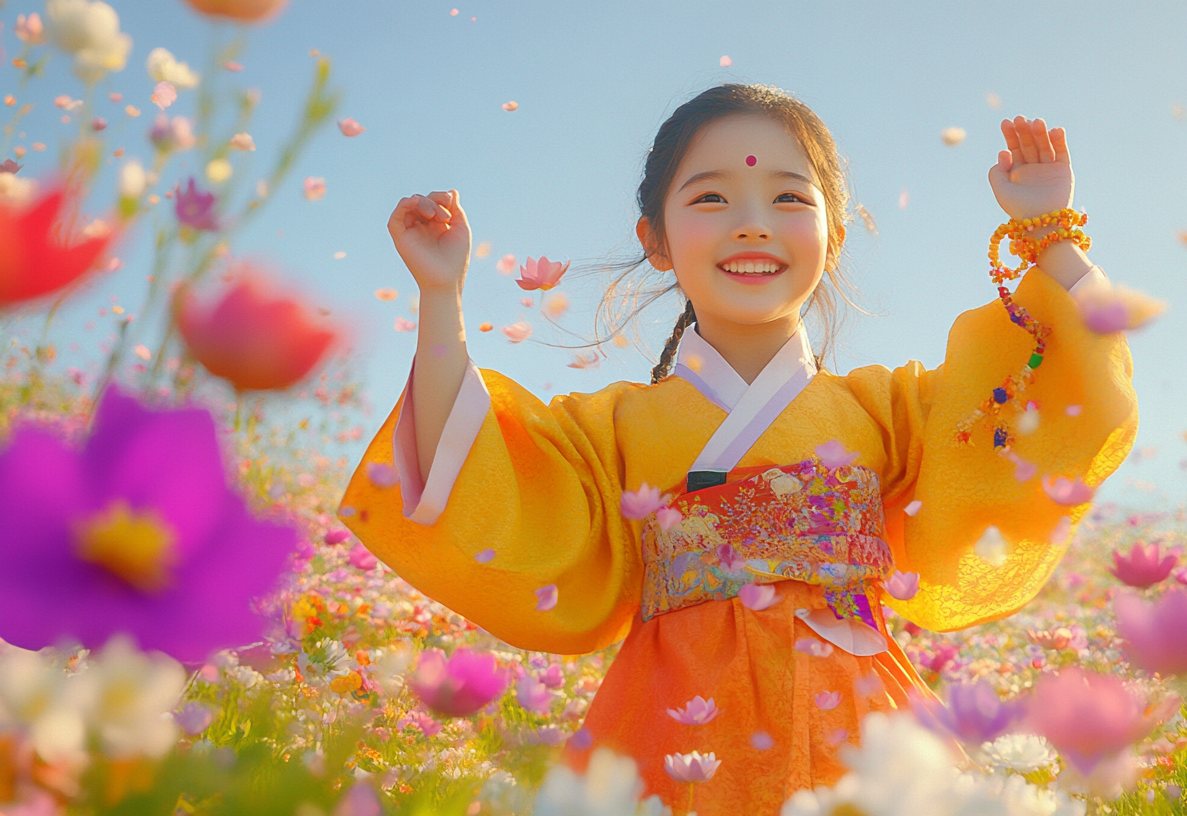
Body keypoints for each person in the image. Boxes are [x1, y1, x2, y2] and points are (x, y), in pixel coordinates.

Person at [338, 83, 1136, 815]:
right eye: (712, 196)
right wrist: (440, 297)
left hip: (858, 722)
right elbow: (470, 467)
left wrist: (1049, 234)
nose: (752, 221)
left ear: (836, 231)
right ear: (655, 238)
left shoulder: (889, 411)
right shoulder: (610, 430)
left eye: (788, 196)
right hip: (671, 724)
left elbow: (1068, 391)